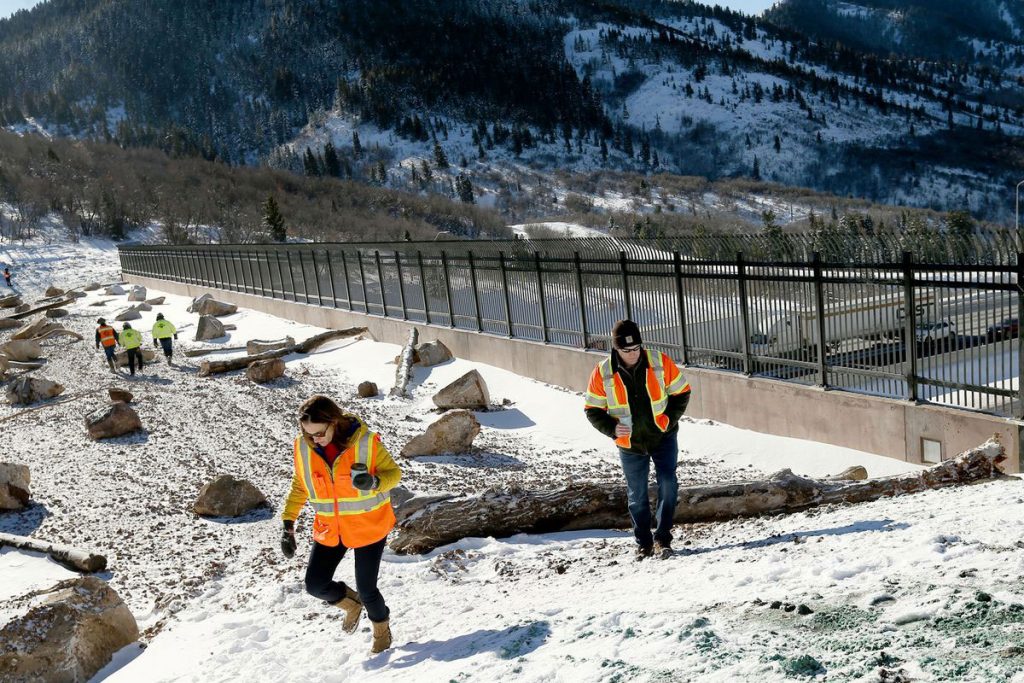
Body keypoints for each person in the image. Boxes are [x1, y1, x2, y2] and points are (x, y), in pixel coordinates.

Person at [280, 395, 402, 654]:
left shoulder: (365, 442)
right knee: (315, 585)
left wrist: (374, 483)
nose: (315, 440)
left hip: (368, 525)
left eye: (320, 433)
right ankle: (350, 604)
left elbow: (394, 474)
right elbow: (301, 485)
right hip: (331, 529)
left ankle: (381, 630)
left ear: (334, 421)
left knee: (368, 589)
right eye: (308, 434)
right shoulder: (304, 448)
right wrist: (288, 523)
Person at [584, 320, 691, 561]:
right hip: (629, 444)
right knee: (637, 495)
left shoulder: (659, 361)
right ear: (616, 349)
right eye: (626, 350)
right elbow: (592, 409)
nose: (633, 354)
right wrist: (611, 428)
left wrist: (668, 419)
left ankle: (663, 539)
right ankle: (643, 543)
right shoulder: (602, 372)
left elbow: (682, 392)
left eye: (636, 349)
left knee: (668, 483)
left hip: (663, 436)